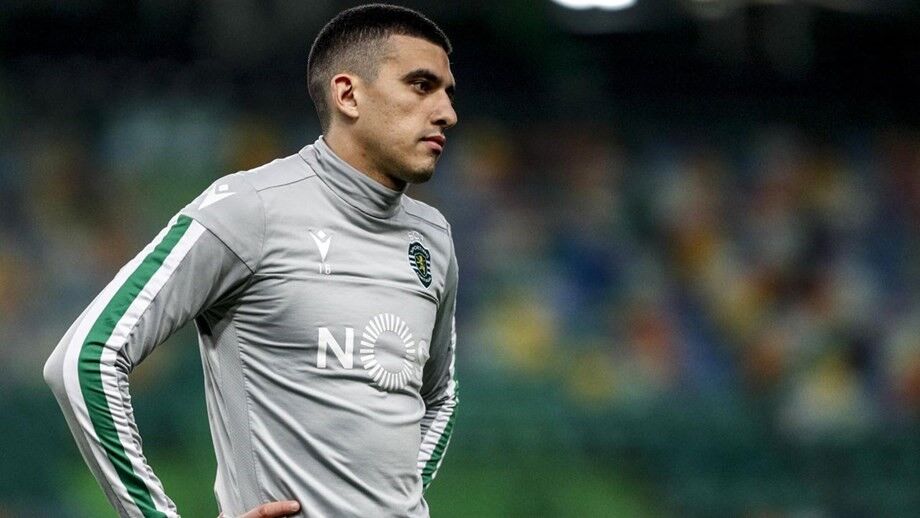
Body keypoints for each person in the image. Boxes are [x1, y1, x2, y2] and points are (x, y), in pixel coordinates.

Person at [43, 4, 459, 517]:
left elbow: (438, 396)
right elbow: (85, 358)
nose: (447, 112)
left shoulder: (434, 238)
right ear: (348, 95)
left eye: (447, 92)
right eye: (421, 85)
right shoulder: (250, 208)